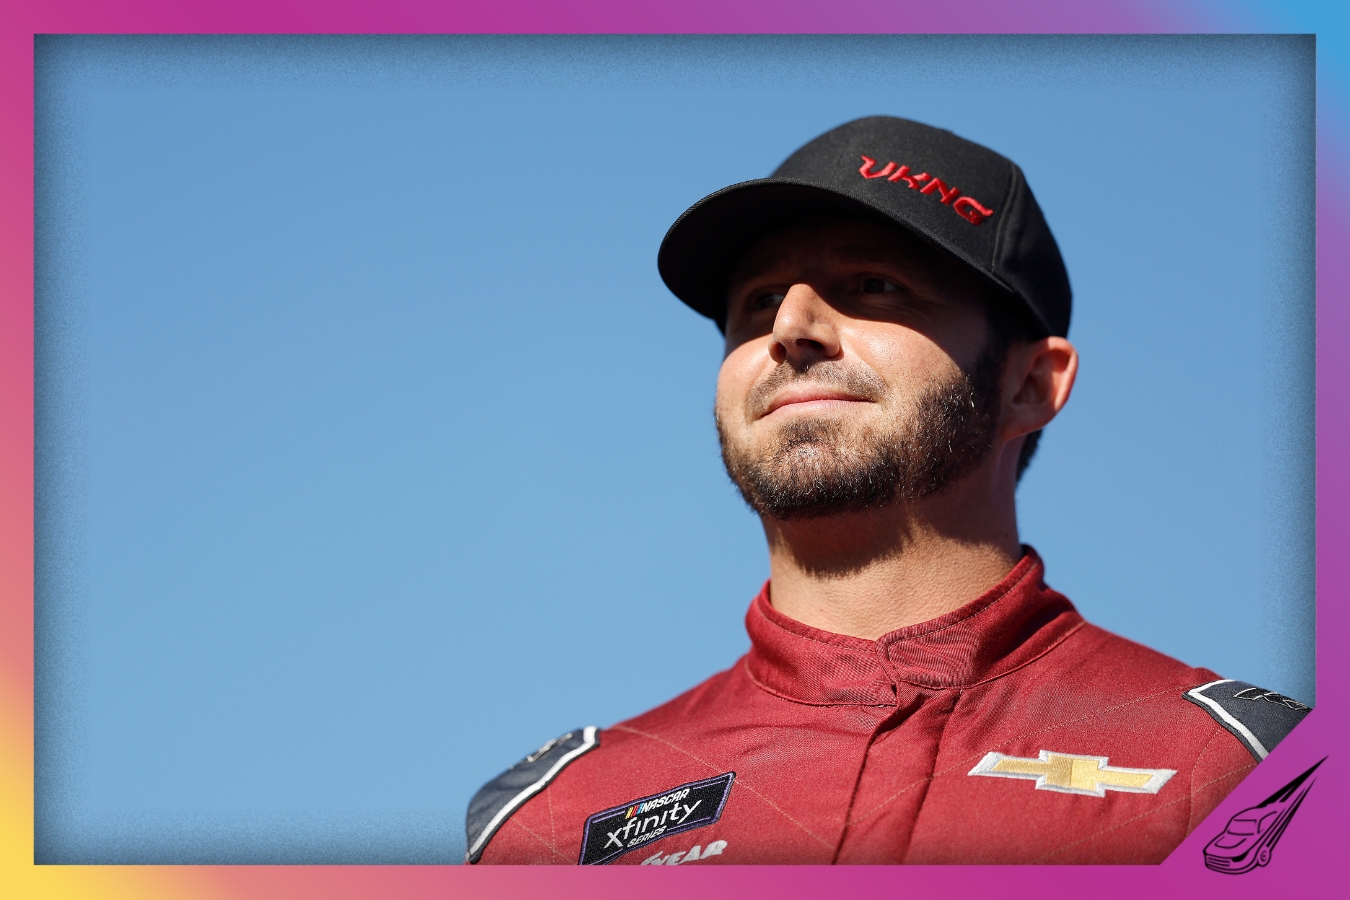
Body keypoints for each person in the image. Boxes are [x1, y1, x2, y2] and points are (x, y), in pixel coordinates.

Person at [464, 116, 1310, 865]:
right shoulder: (545, 824)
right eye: (757, 303)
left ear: (1030, 385)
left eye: (874, 284)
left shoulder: (1257, 772)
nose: (791, 329)